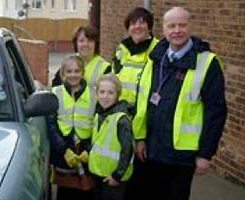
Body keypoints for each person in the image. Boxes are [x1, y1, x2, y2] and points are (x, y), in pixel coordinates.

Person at [133, 7, 227, 200]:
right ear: (164, 29)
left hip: (181, 155)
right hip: (151, 149)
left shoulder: (207, 63)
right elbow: (142, 102)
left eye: (182, 25)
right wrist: (140, 138)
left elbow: (216, 113)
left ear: (190, 27)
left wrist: (205, 154)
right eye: (171, 25)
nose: (177, 30)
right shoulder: (155, 58)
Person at [48, 55, 96, 200]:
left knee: (86, 192)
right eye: (69, 71)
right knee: (65, 193)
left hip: (85, 150)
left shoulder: (94, 94)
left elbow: (99, 126)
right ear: (63, 74)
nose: (73, 75)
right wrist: (64, 150)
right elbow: (51, 124)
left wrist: (89, 150)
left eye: (77, 71)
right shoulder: (56, 92)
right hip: (63, 151)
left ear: (83, 72)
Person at [88, 74, 134, 200]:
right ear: (97, 93)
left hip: (113, 179)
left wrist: (117, 176)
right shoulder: (99, 114)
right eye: (102, 92)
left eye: (110, 93)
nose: (105, 96)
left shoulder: (122, 119)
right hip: (98, 174)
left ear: (117, 95)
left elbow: (127, 150)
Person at [113, 7, 159, 105]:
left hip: (146, 111)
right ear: (128, 29)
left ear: (149, 27)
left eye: (142, 23)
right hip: (121, 111)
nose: (137, 26)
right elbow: (113, 80)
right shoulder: (121, 50)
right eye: (133, 23)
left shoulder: (158, 50)